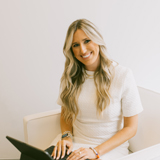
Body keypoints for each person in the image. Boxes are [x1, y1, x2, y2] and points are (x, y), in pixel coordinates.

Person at [50, 19, 143, 160]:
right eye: (76, 45)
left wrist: (95, 151)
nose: (82, 50)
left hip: (109, 149)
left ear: (97, 40)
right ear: (71, 50)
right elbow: (65, 114)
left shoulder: (123, 75)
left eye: (87, 41)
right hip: (76, 144)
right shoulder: (70, 77)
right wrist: (66, 137)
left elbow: (131, 128)